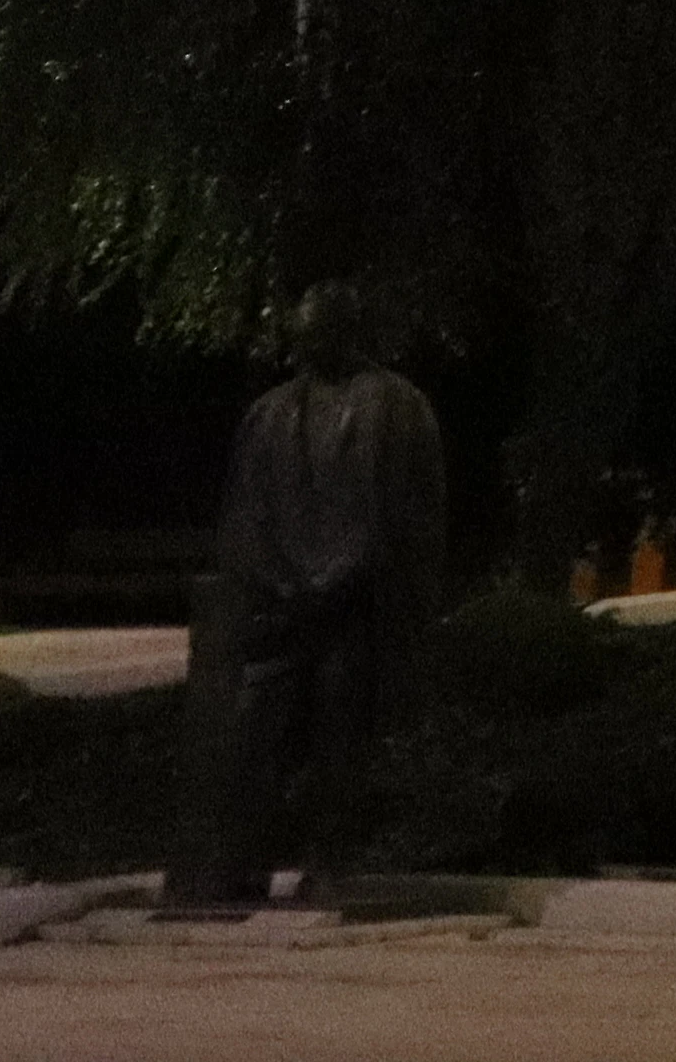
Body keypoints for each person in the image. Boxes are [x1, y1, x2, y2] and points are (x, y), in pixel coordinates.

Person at [172, 285, 446, 905]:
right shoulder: (268, 414)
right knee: (252, 734)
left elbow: (412, 514)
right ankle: (242, 865)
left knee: (339, 737)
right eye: (305, 334)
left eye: (324, 331)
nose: (312, 345)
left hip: (354, 605)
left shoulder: (396, 406)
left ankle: (332, 863)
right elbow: (244, 514)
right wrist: (277, 582)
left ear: (351, 331)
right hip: (281, 606)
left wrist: (358, 583)